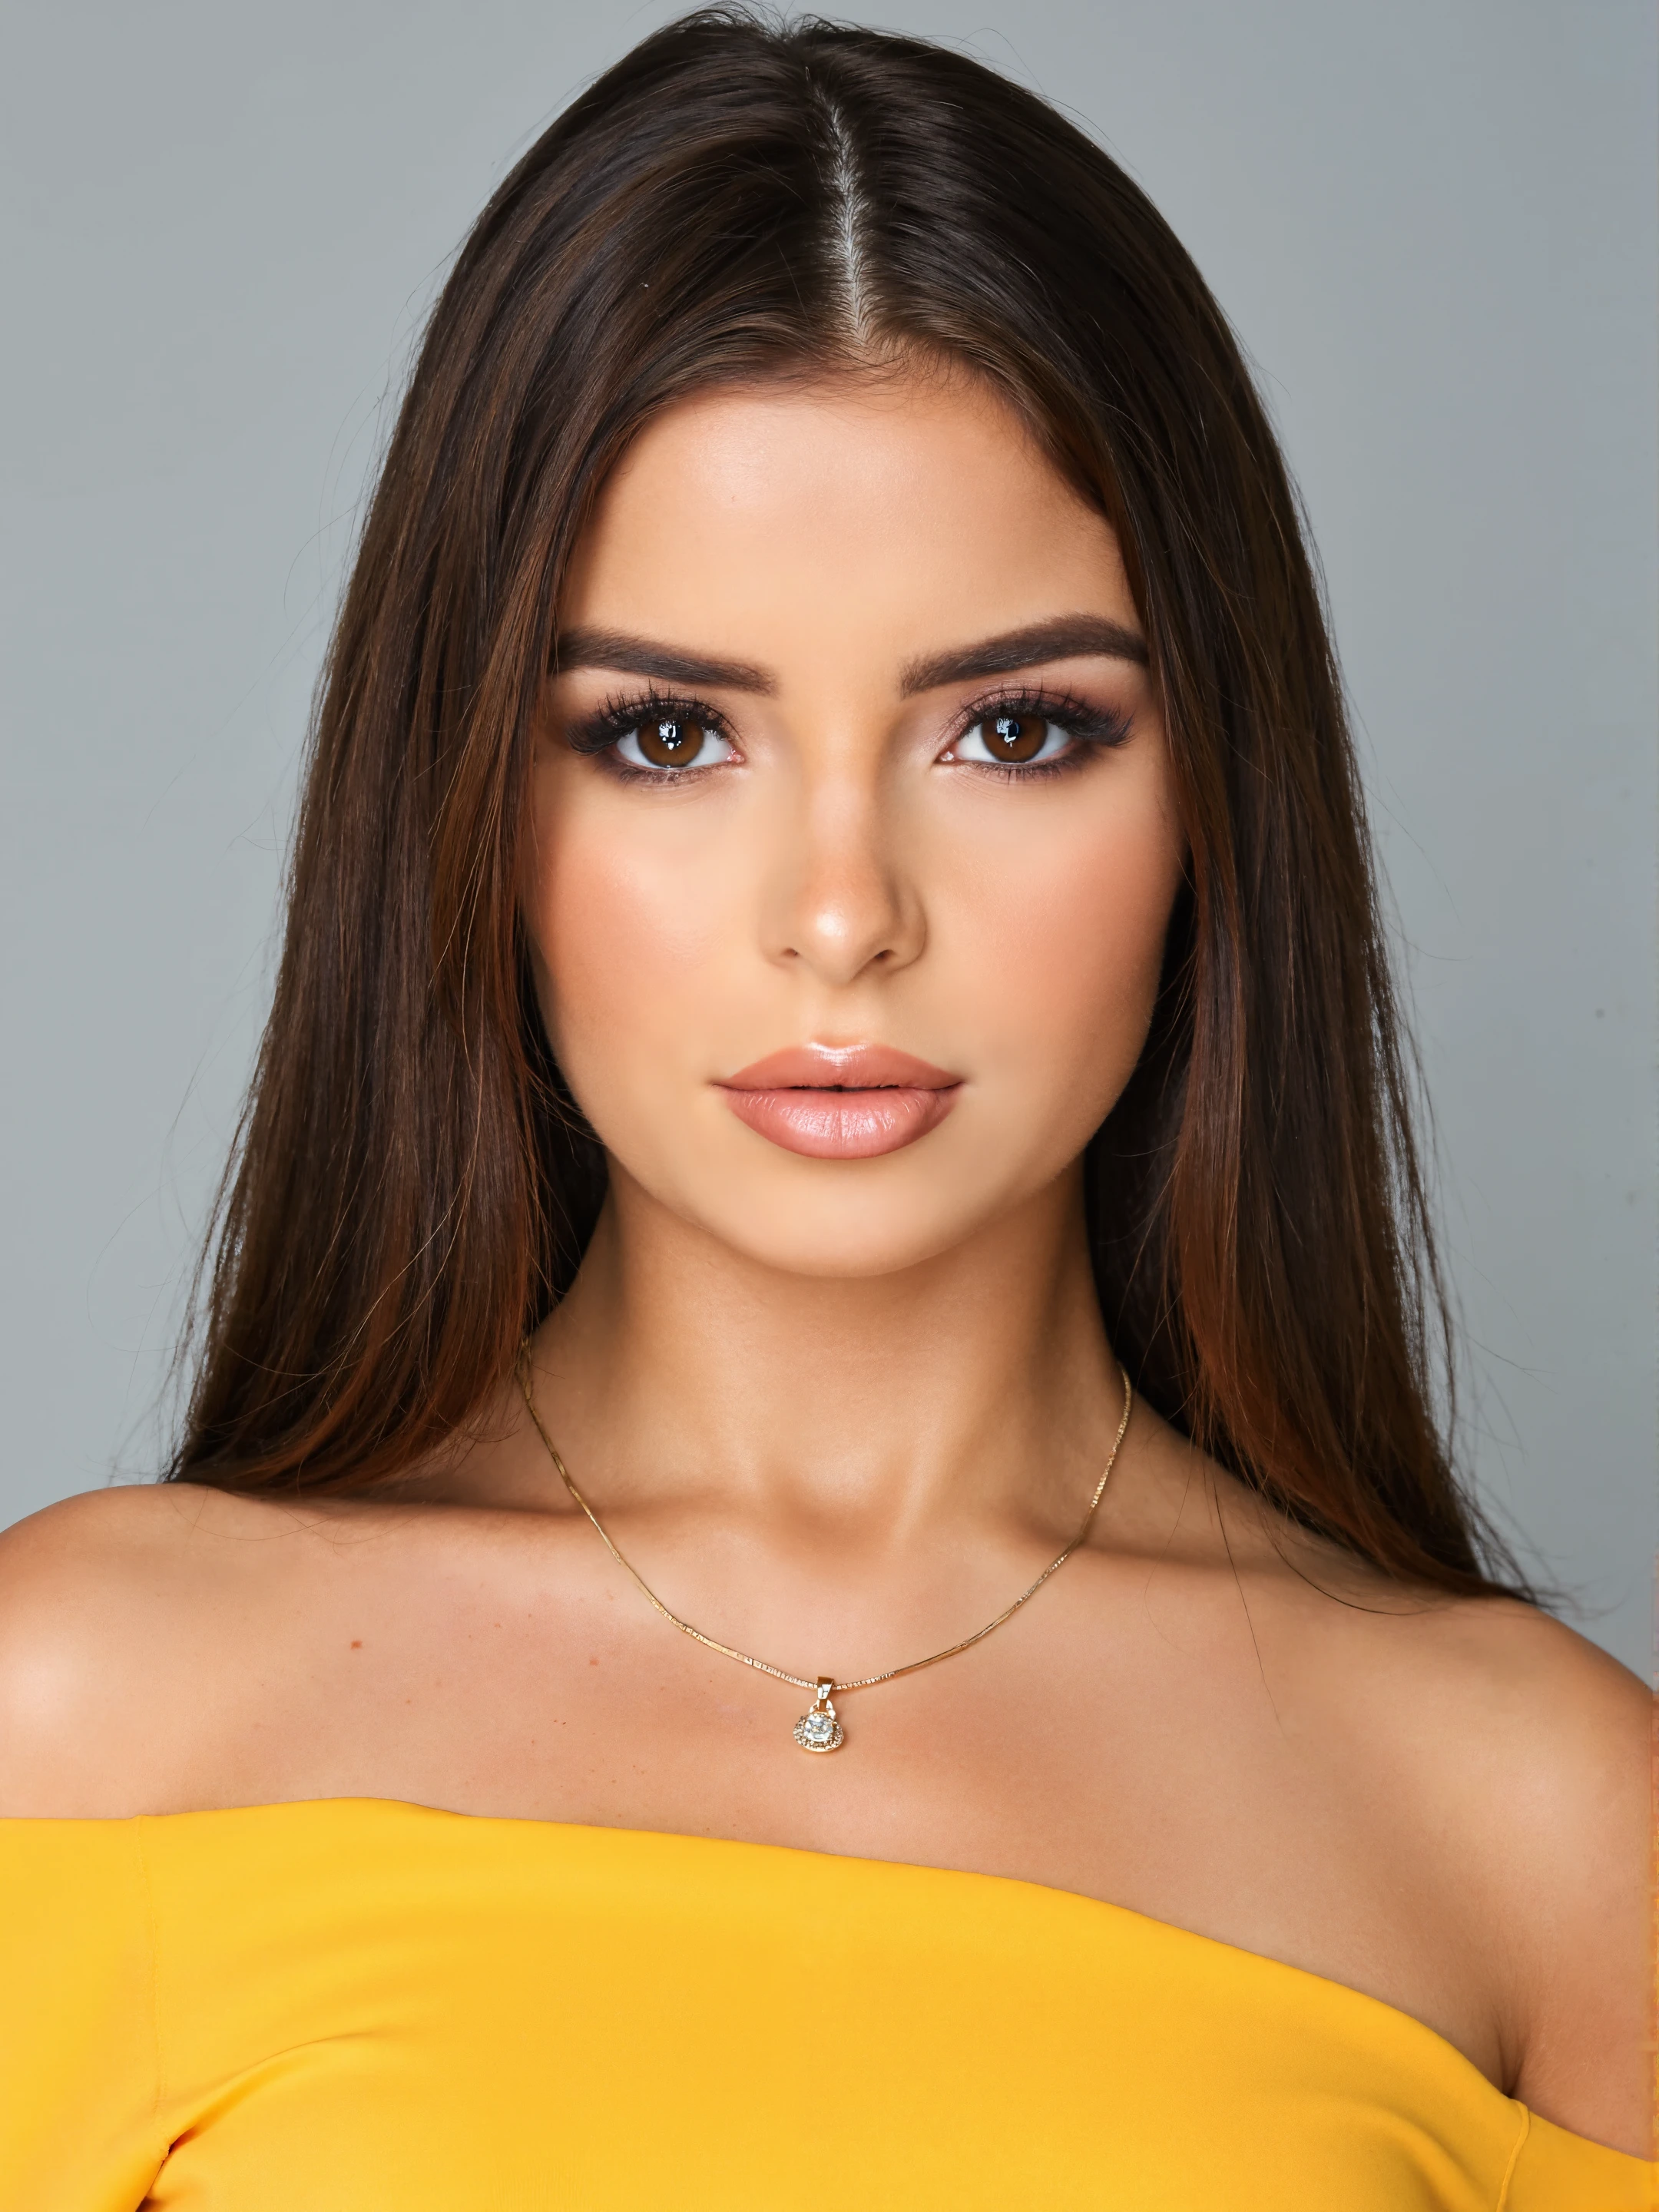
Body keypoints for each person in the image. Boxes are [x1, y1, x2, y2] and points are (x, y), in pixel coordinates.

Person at [0, 12, 1649, 2207]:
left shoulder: (1540, 1825)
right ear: (471, 797)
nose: (845, 916)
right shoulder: (86, 1720)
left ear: (1214, 796)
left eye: (1020, 732)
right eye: (672, 736)